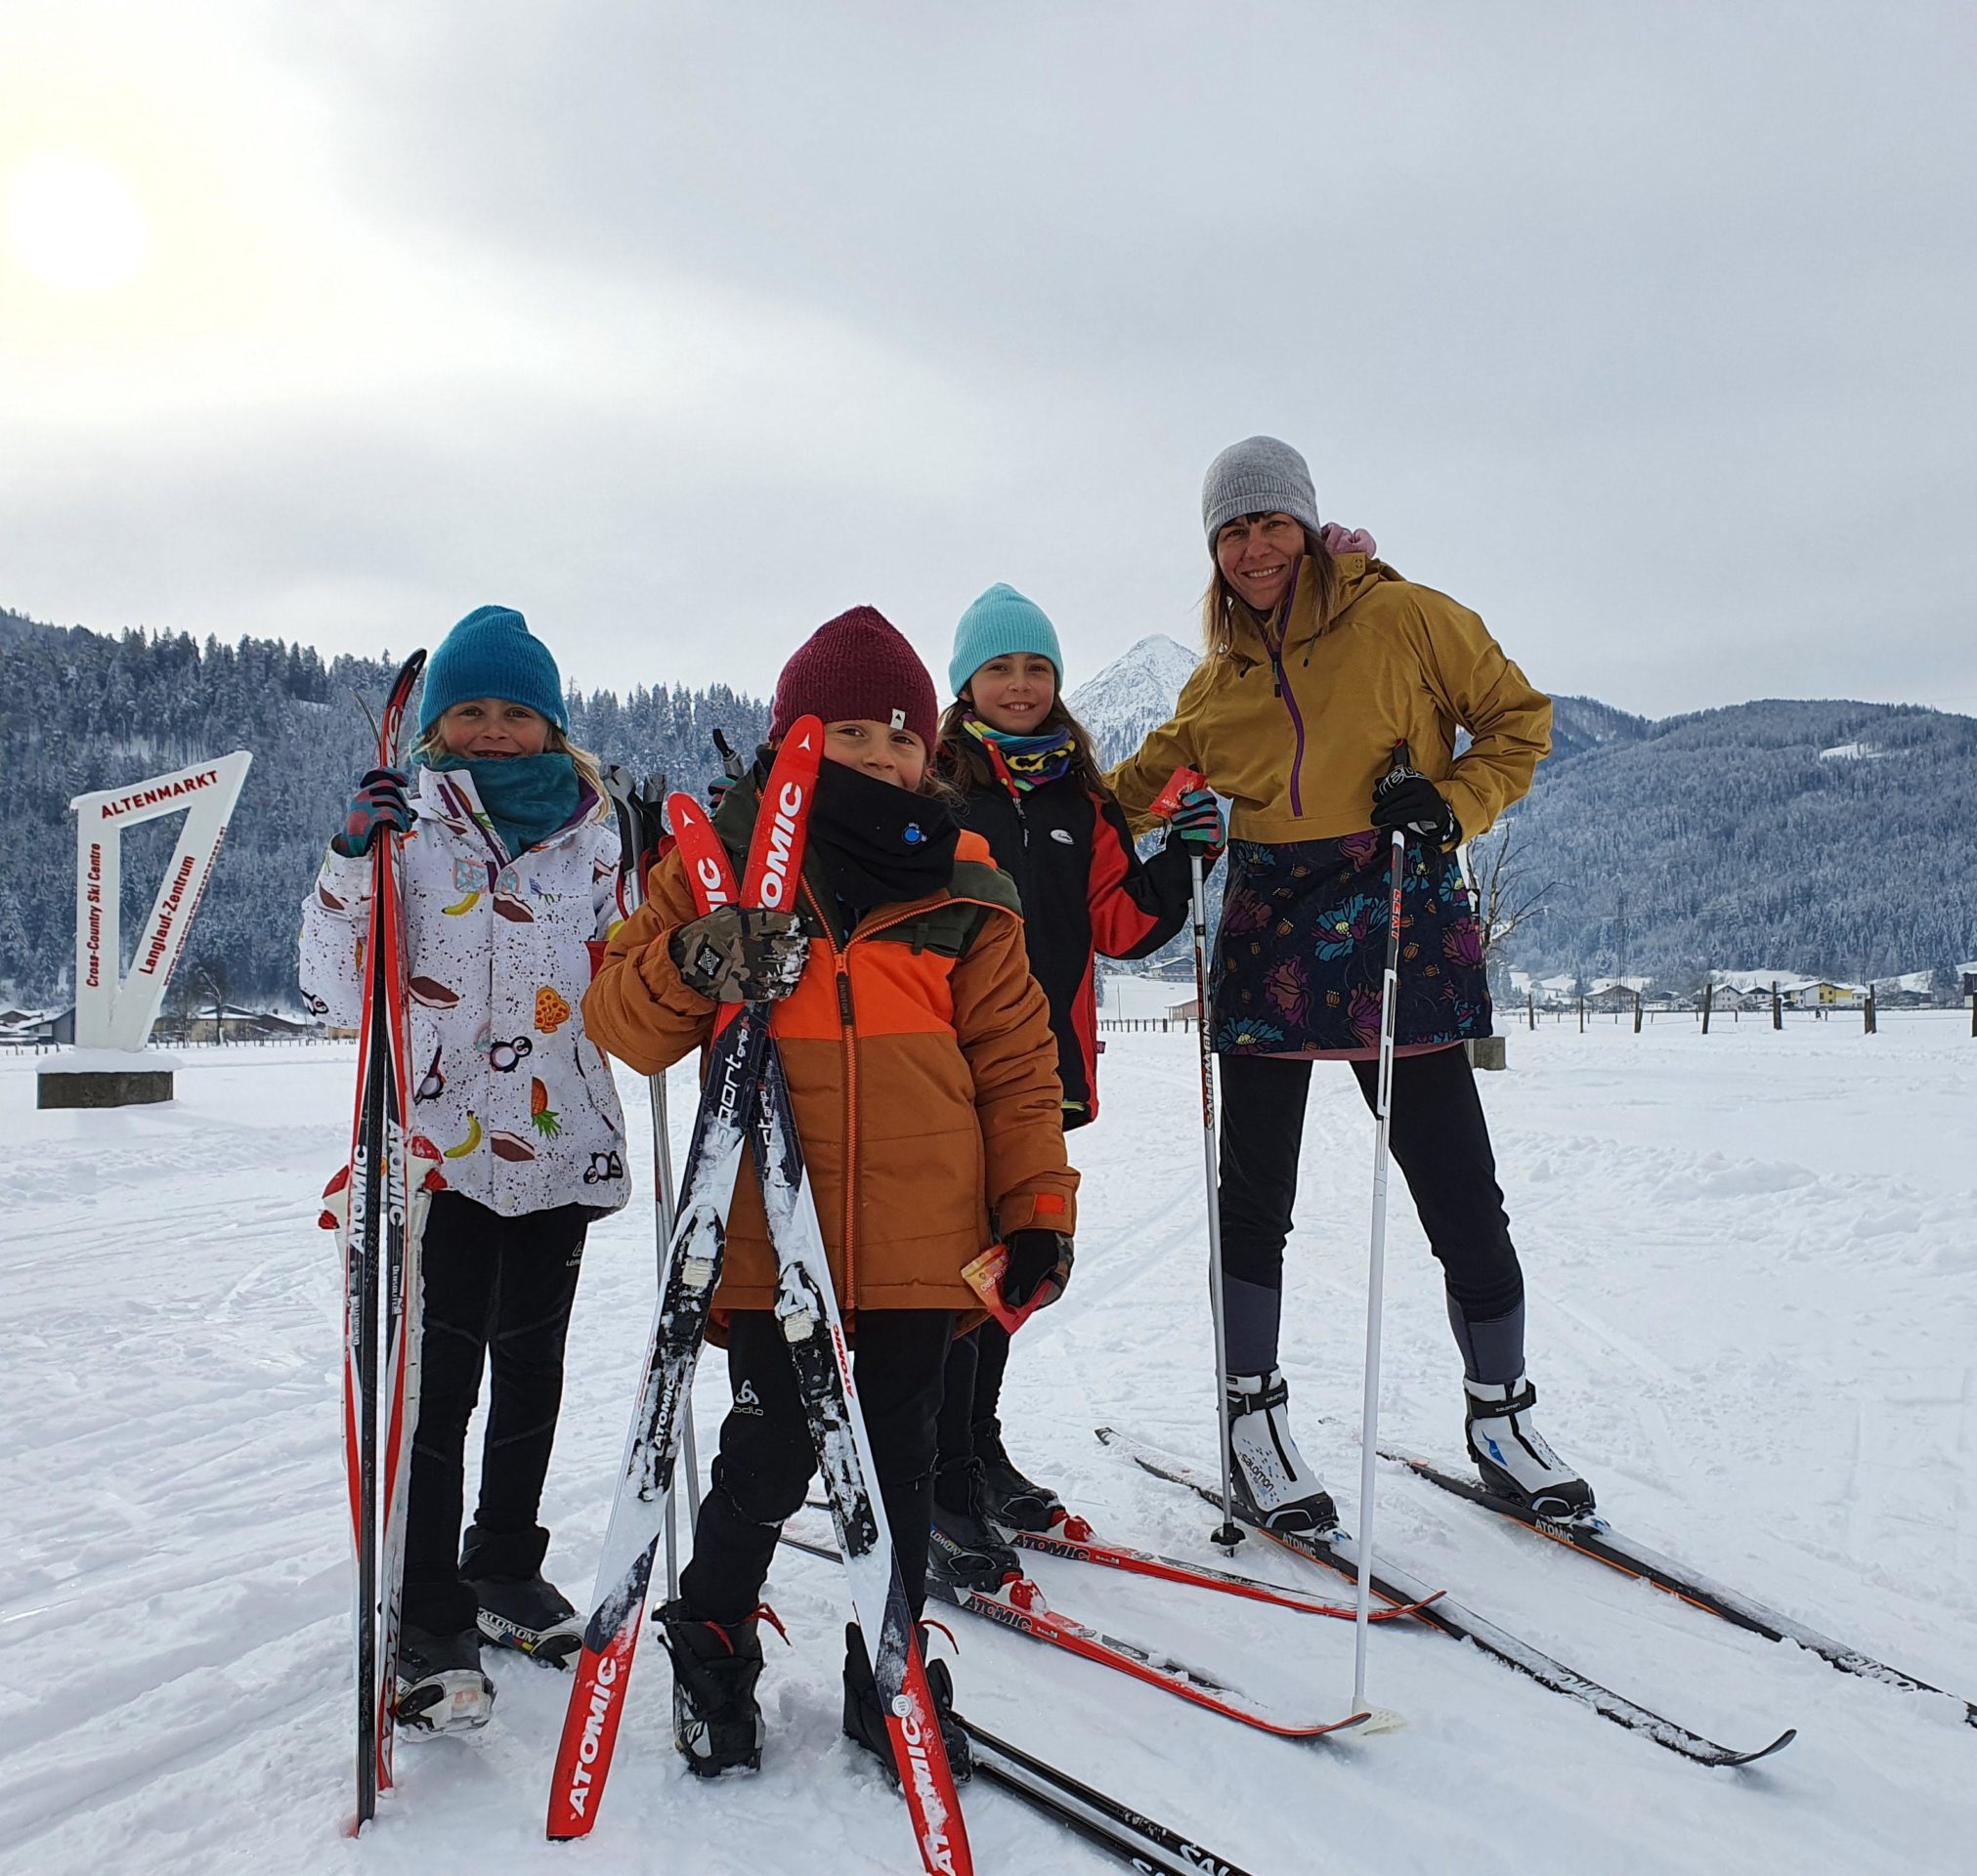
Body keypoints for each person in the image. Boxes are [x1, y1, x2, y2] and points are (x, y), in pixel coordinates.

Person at [582, 605, 1078, 1781]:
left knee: (901, 1460)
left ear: (930, 750)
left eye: (898, 737)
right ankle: (710, 1638)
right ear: (793, 739)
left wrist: (1037, 1211)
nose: (877, 758)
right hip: (769, 1226)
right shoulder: (722, 867)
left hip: (923, 1238)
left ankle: (887, 1663)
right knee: (769, 1455)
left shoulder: (969, 882)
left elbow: (1017, 1068)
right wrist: (698, 955)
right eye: (845, 733)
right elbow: (621, 1020)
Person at [1108, 436, 1594, 1533]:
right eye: (1230, 530)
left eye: (1269, 521)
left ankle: (1500, 1414)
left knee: (1457, 1180)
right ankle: (1251, 1421)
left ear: (1308, 522)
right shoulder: (1212, 689)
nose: (1253, 546)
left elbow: (1520, 723)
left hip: (1397, 916)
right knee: (1255, 1199)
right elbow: (1108, 806)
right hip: (1270, 932)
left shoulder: (1406, 617)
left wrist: (1453, 802)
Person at [298, 604, 628, 1732]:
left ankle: (502, 1565)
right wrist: (350, 864)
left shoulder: (598, 835)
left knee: (534, 1370)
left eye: (516, 712)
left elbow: (633, 984)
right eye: (472, 711)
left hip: (563, 1136)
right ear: (439, 725)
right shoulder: (404, 827)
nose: (494, 731)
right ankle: (428, 1610)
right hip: (439, 1150)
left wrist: (685, 912)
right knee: (437, 1386)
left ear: (552, 724)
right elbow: (334, 989)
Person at [923, 584, 1222, 1583]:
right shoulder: (931, 789)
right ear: (965, 683)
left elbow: (1121, 926)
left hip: (1040, 1066)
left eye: (1036, 669)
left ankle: (979, 1449)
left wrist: (1180, 860)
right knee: (951, 1268)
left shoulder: (1076, 799)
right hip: (940, 1063)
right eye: (999, 668)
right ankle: (941, 1473)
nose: (1019, 686)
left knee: (1015, 1258)